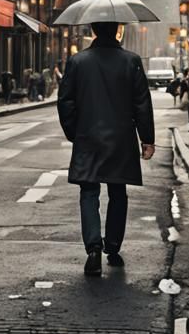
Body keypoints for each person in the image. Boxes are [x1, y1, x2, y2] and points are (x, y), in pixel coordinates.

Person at [57, 21, 155, 277]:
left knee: (89, 191)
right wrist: (147, 138)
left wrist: (74, 132)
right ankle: (112, 245)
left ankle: (92, 248)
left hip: (88, 137)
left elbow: (65, 101)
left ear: (93, 30)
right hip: (121, 139)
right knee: (118, 191)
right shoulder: (131, 61)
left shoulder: (78, 62)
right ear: (117, 30)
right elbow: (142, 103)